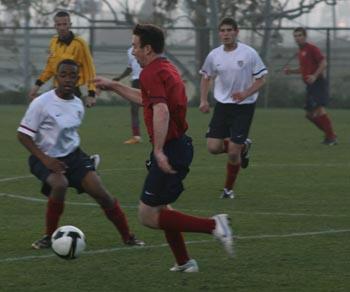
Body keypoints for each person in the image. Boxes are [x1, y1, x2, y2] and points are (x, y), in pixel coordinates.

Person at [94, 23, 233, 272]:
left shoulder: (150, 73)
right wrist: (114, 85)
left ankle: (214, 226)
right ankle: (184, 262)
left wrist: (158, 151)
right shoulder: (164, 68)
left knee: (147, 215)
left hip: (171, 148)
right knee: (163, 207)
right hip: (178, 146)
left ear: (147, 49)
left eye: (135, 46)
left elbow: (161, 109)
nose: (133, 51)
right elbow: (146, 100)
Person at [18, 59, 144, 249]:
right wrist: (46, 160)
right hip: (42, 157)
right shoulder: (41, 103)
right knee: (60, 184)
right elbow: (23, 135)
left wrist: (82, 163)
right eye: (63, 75)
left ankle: (128, 237)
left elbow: (69, 135)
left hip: (74, 157)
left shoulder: (78, 104)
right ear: (56, 78)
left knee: (103, 195)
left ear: (78, 79)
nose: (68, 79)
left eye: (72, 76)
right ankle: (48, 236)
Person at [199, 17, 267, 199]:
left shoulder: (249, 53)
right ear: (219, 33)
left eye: (230, 30)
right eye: (223, 30)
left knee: (233, 152)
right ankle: (243, 146)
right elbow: (206, 77)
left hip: (244, 106)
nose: (226, 34)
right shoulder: (214, 55)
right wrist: (203, 100)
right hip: (222, 106)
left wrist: (246, 93)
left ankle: (228, 190)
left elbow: (261, 79)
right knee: (213, 148)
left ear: (236, 32)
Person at [28, 11, 97, 108]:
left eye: (65, 24)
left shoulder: (80, 43)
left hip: (72, 89)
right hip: (56, 89)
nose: (62, 27)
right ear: (55, 26)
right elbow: (49, 68)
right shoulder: (53, 41)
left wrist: (91, 94)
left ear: (70, 25)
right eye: (59, 24)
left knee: (68, 121)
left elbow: (89, 69)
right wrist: (37, 86)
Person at [284, 27, 337, 145]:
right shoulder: (301, 52)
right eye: (295, 36)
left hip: (318, 83)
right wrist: (291, 71)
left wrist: (314, 76)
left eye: (299, 35)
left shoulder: (312, 49)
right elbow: (302, 69)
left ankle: (331, 137)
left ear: (305, 36)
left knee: (319, 109)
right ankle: (330, 134)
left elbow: (324, 63)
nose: (297, 38)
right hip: (310, 86)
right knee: (309, 115)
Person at [113, 47, 143, 144]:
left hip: (149, 78)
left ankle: (163, 134)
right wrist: (120, 77)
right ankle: (136, 136)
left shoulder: (148, 47)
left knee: (154, 107)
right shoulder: (130, 51)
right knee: (134, 108)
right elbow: (130, 67)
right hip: (136, 81)